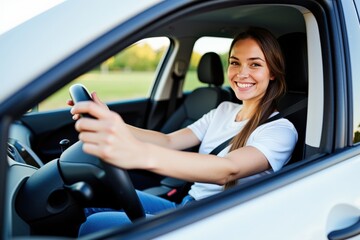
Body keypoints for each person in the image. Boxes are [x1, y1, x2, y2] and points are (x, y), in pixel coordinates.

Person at [70, 27, 298, 236]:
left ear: (273, 73)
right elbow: (168, 141)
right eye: (235, 62)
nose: (241, 73)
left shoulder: (280, 131)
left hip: (211, 221)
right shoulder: (224, 109)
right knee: (98, 196)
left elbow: (228, 169)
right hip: (188, 203)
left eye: (255, 64)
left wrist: (139, 154)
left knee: (94, 225)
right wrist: (111, 120)